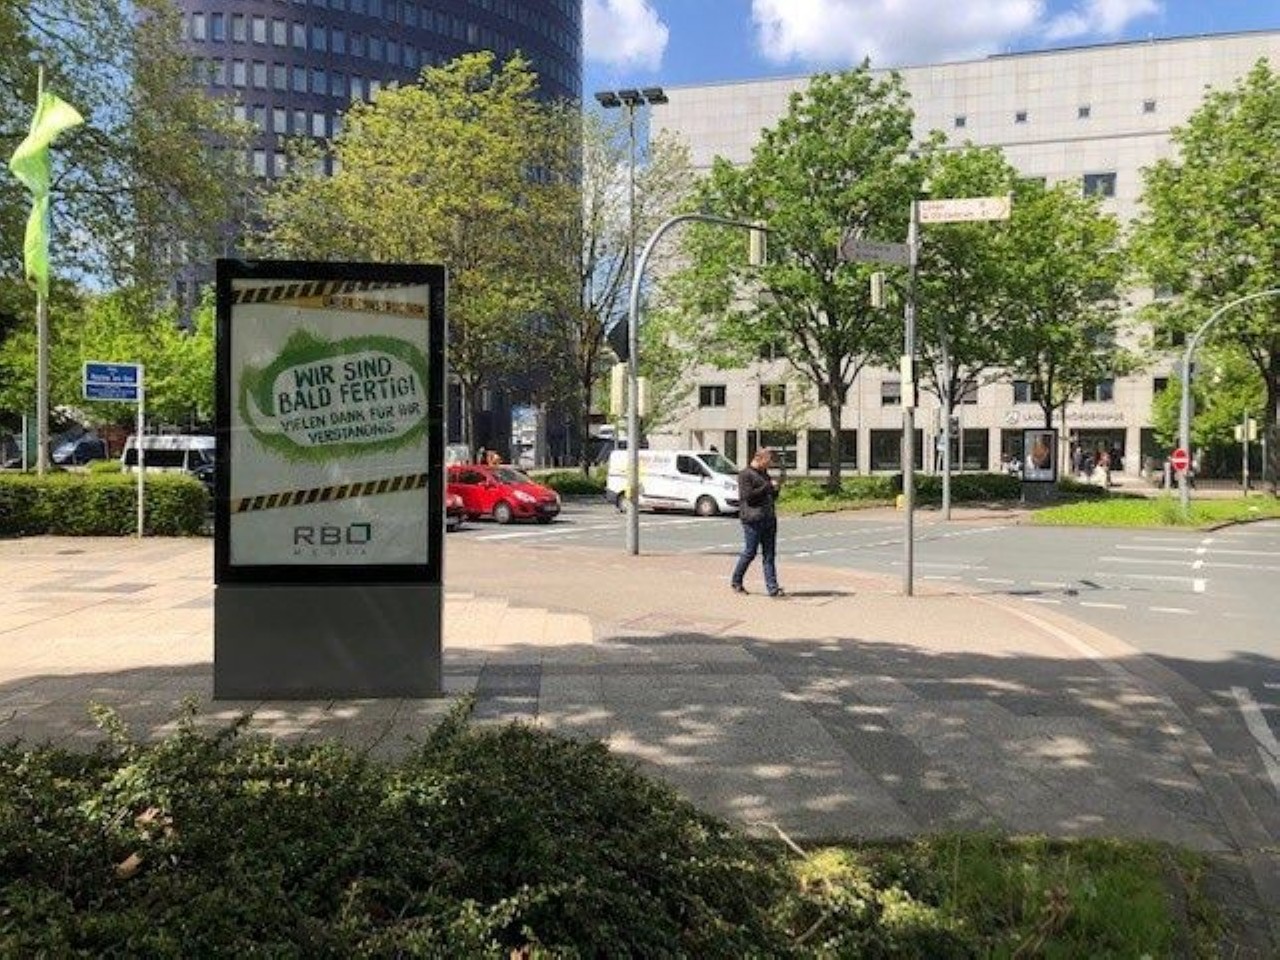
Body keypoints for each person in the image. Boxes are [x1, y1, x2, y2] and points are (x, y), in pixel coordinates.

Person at [730, 447, 784, 597]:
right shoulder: (745, 475)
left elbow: (770, 496)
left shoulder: (764, 473)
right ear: (759, 459)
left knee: (769, 555)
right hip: (752, 519)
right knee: (750, 552)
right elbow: (749, 497)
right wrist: (767, 486)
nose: (769, 465)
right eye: (768, 461)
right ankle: (736, 581)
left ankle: (772, 588)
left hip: (768, 518)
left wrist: (775, 489)